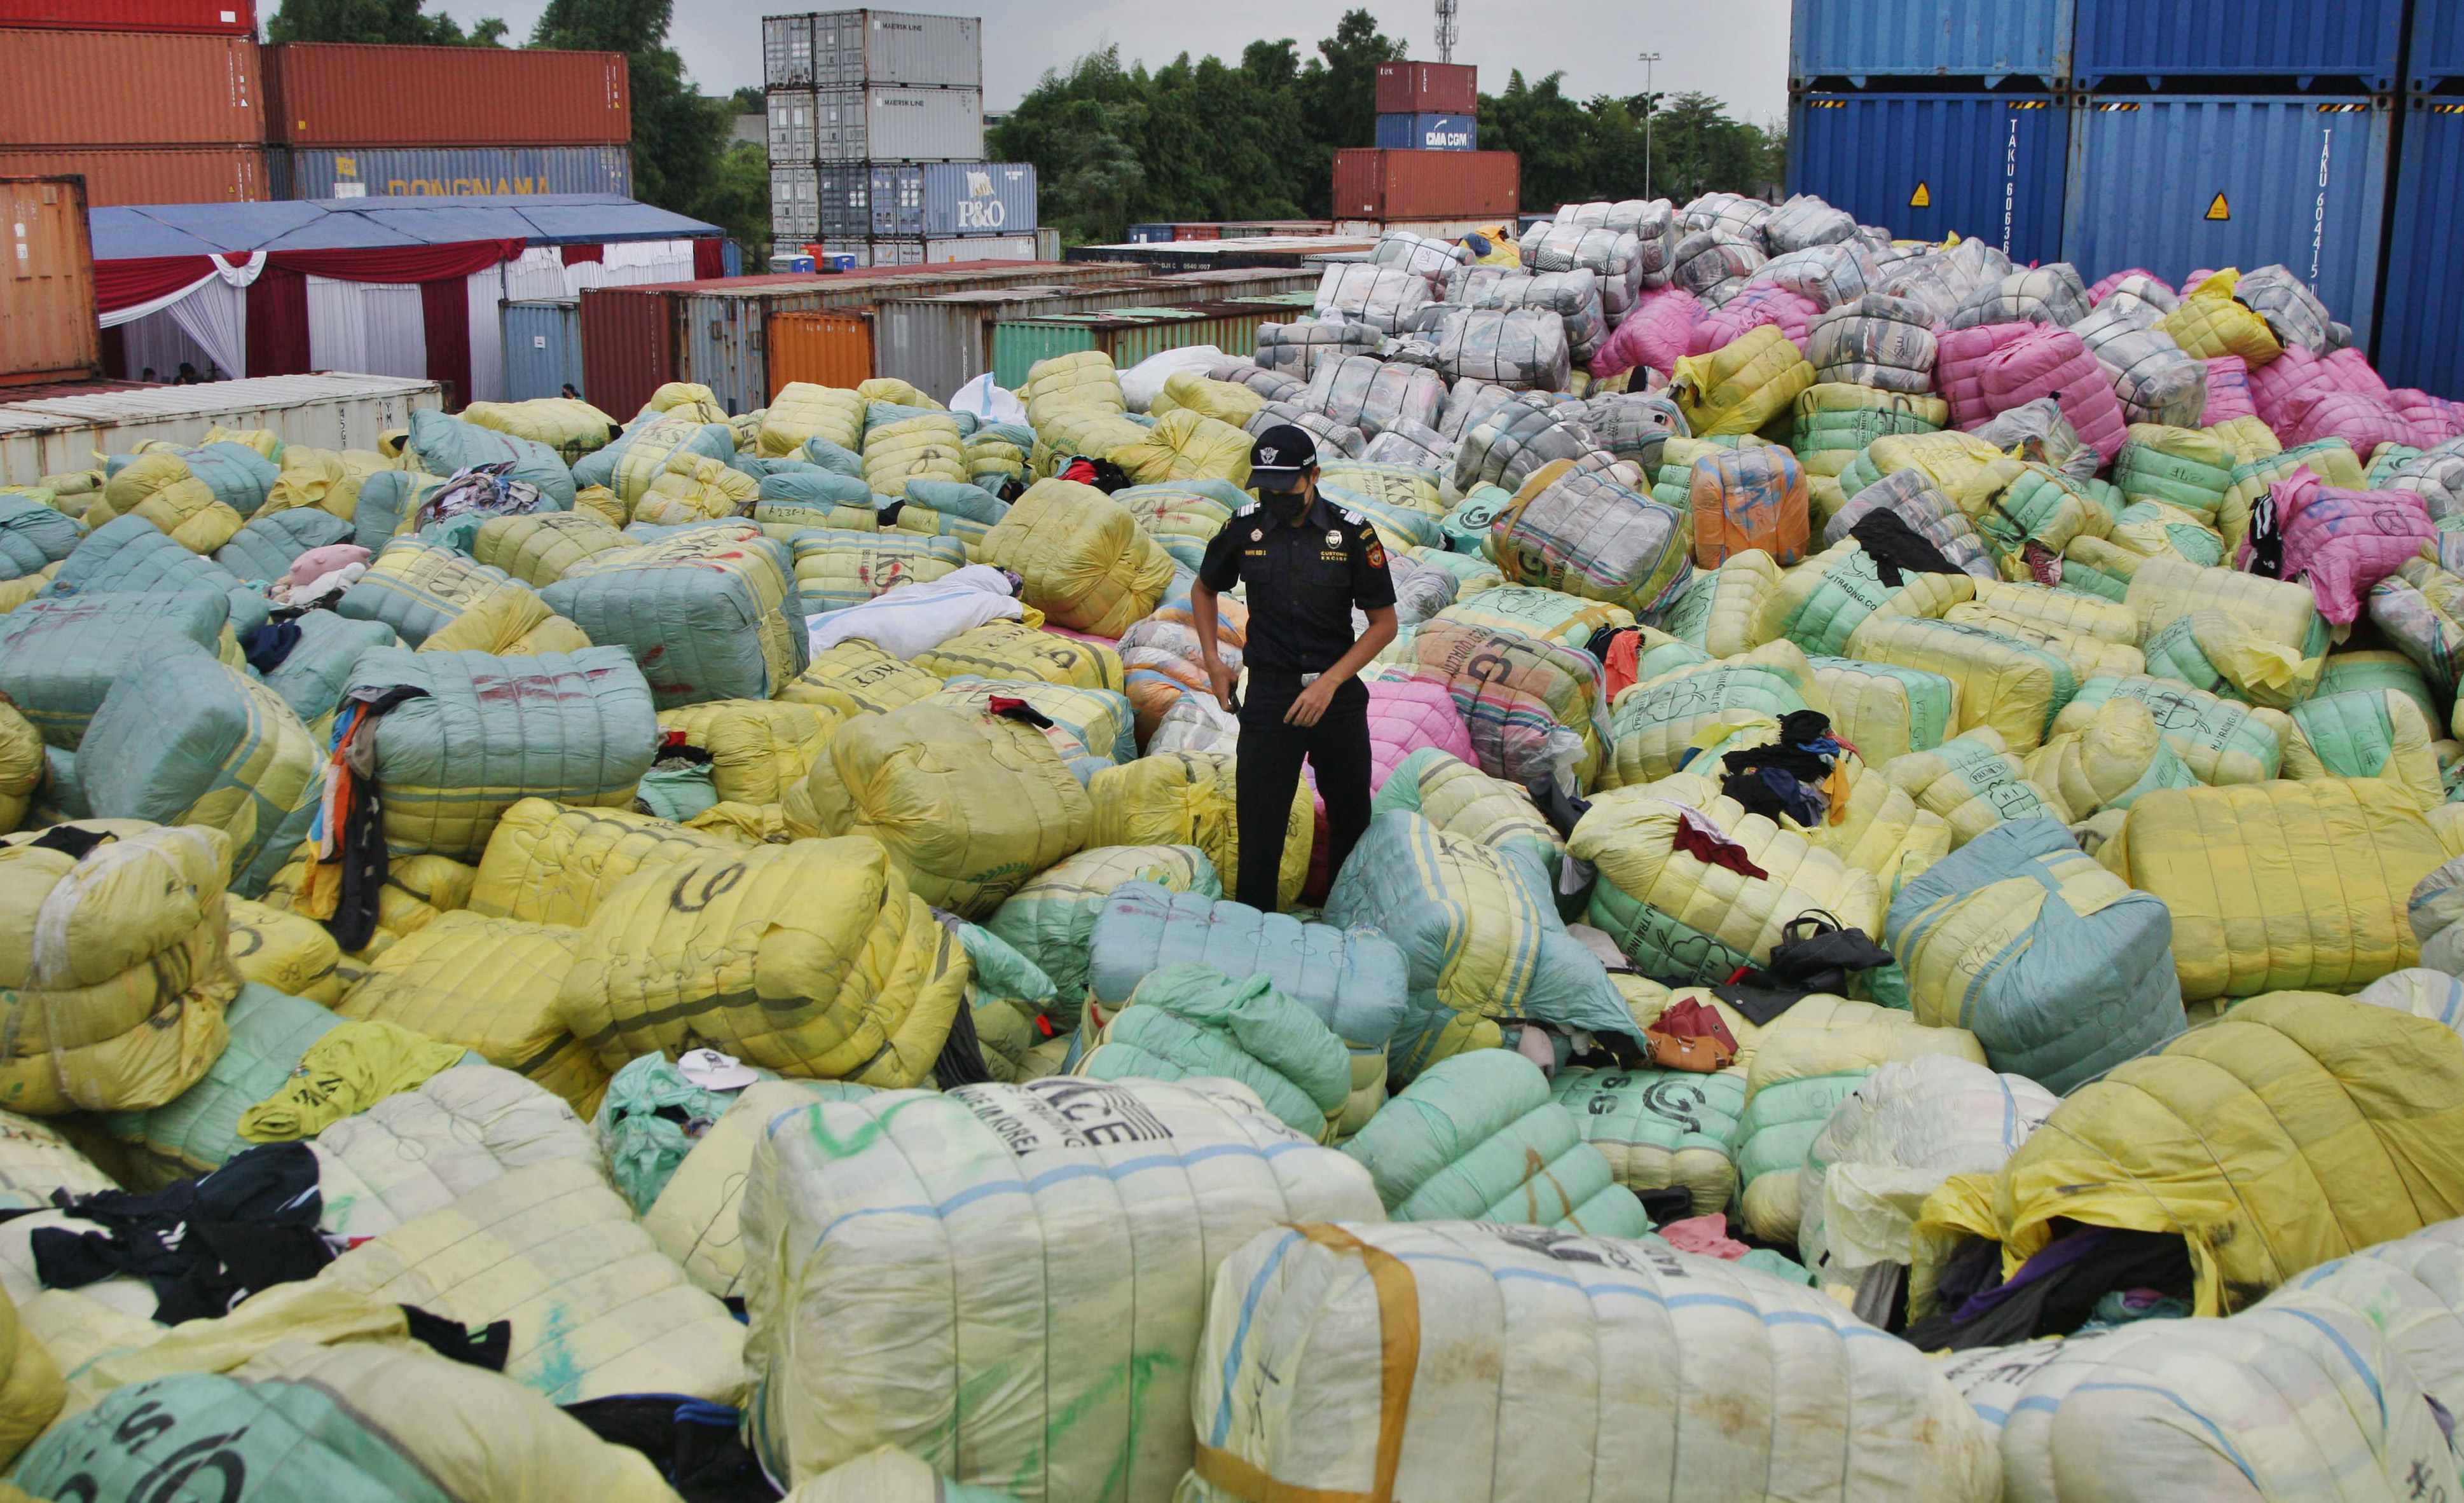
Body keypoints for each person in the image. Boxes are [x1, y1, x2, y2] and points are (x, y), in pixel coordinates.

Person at [1192, 424, 1397, 912]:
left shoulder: (1351, 532)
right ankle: (1254, 925)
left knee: (1350, 817)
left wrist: (1330, 683)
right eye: (1267, 490)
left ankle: (1344, 919)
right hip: (1269, 697)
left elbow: (1384, 624)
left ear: (1314, 476)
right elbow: (1204, 589)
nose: (1276, 499)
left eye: (1286, 489)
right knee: (1259, 823)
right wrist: (1214, 662)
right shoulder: (1244, 527)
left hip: (1336, 697)